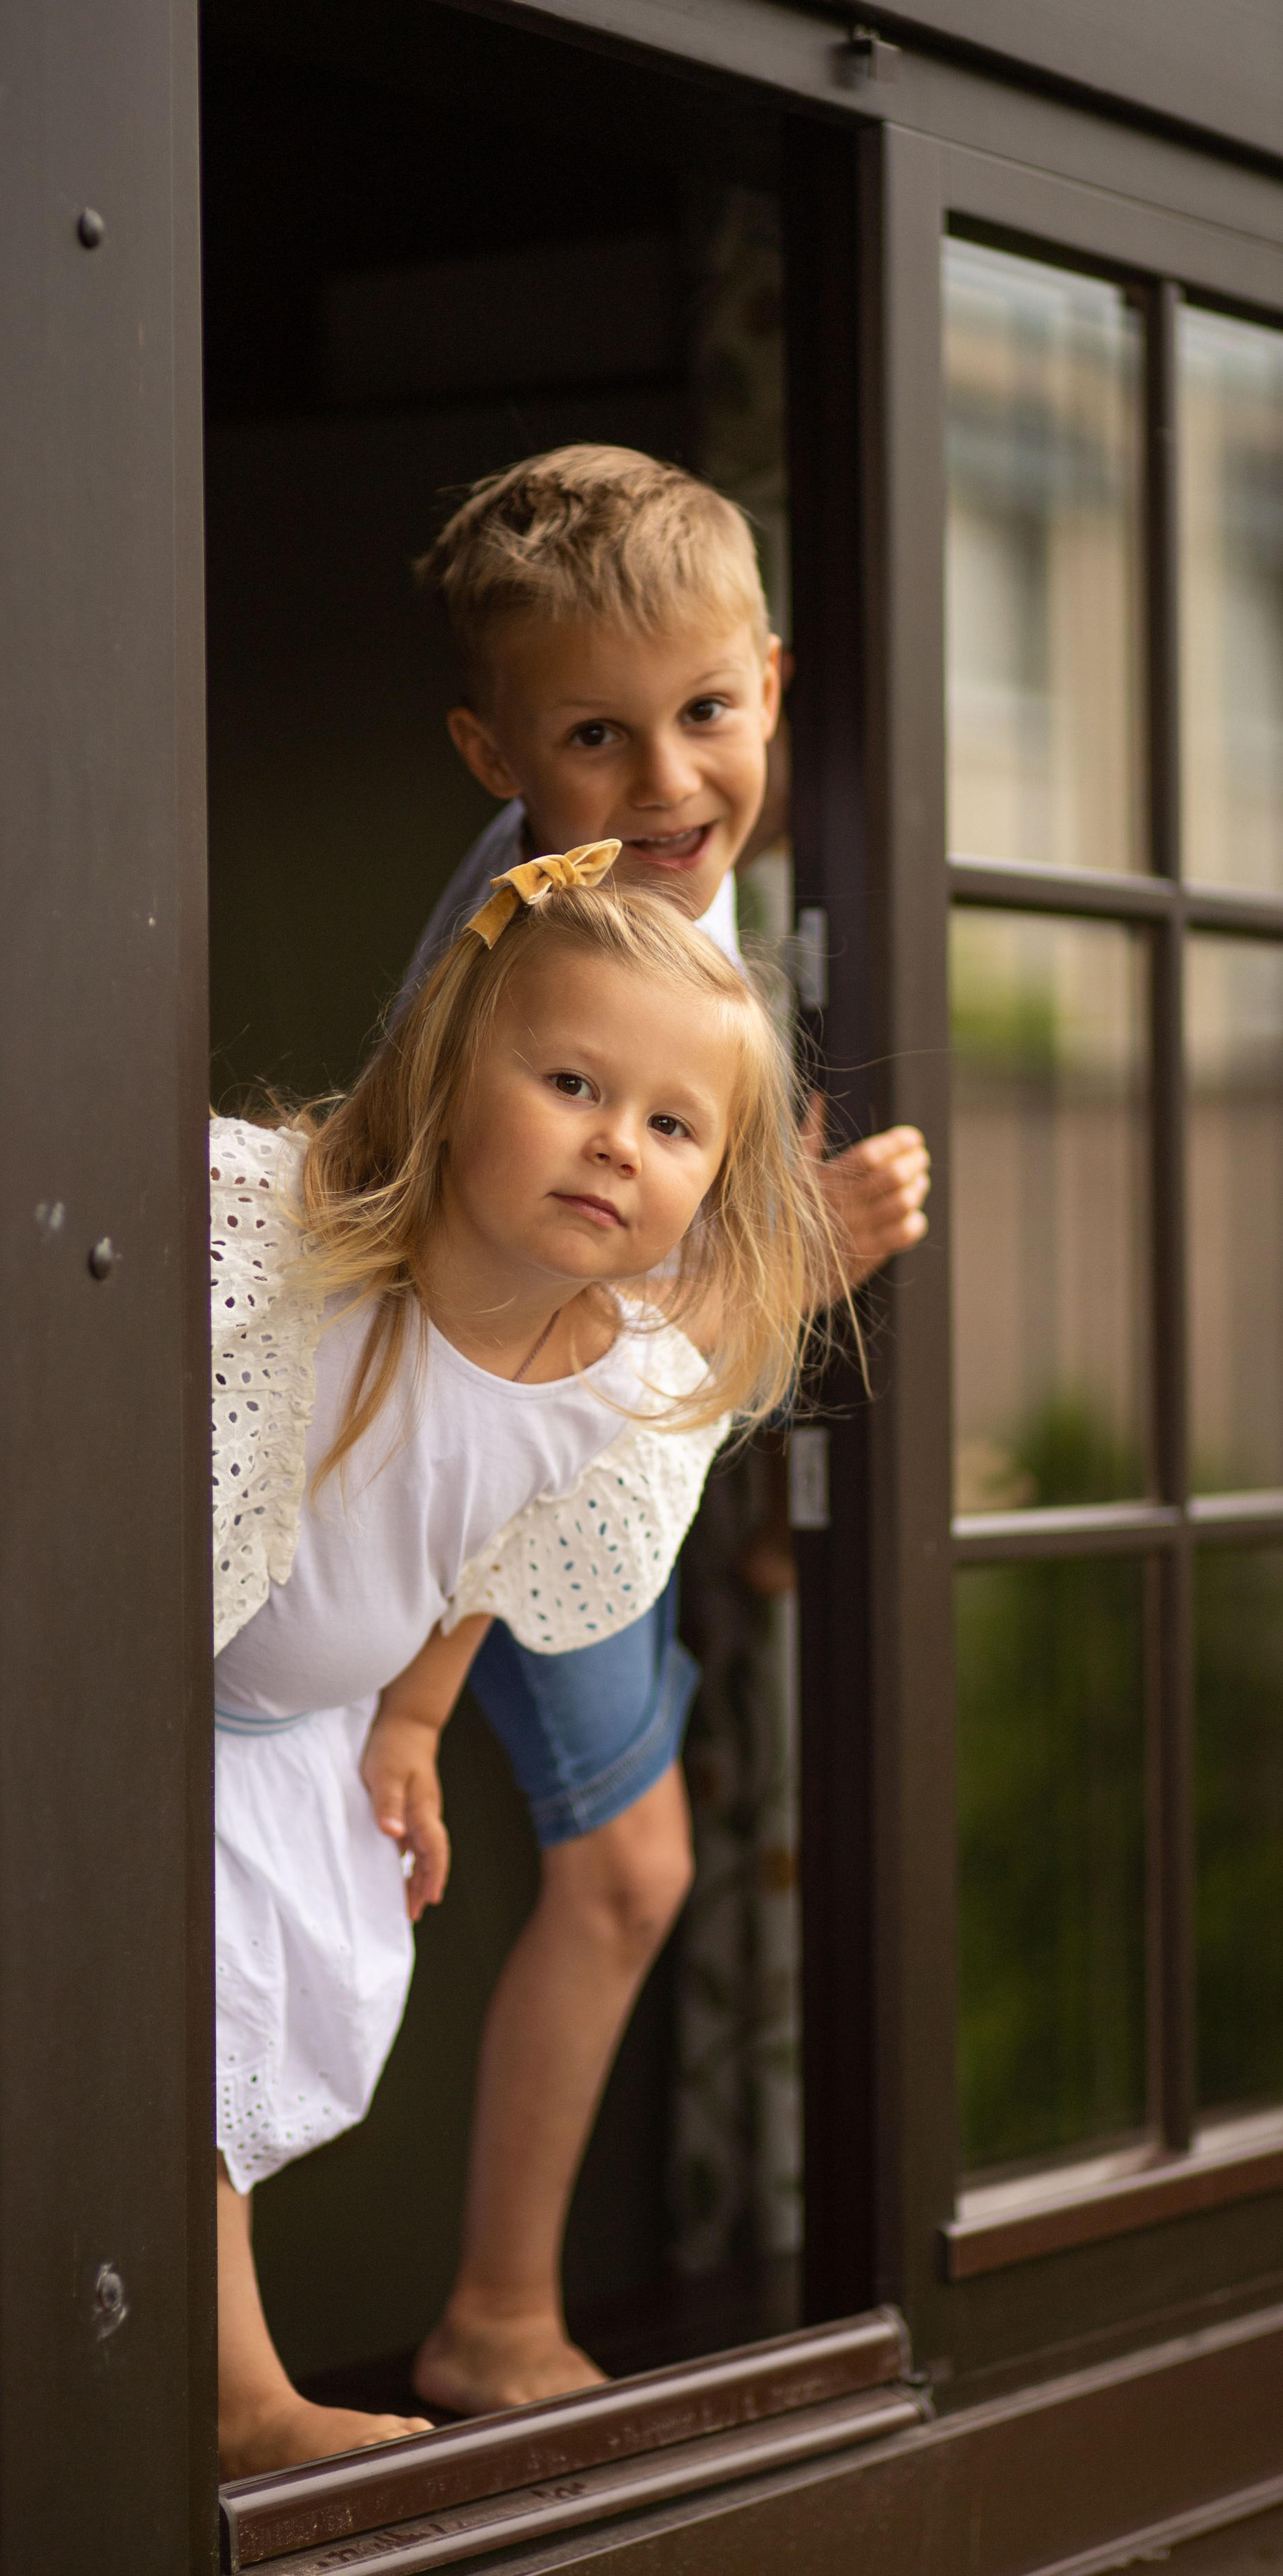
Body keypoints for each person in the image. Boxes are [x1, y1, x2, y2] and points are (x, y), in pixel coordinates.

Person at [393, 445, 932, 2417]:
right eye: (600, 738)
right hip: (498, 1465)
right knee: (618, 1873)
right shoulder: (553, 939)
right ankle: (496, 2314)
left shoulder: (676, 908)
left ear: (774, 684)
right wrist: (798, 1275)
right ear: (497, 751)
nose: (673, 782)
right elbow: (560, 1284)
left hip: (588, 1459)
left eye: (707, 713)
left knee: (632, 1870)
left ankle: (497, 2308)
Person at [212, 856, 844, 2473]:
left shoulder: (603, 1386)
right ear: (452, 1065)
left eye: (669, 1124)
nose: (612, 1140)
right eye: (569, 1082)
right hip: (176, 1719)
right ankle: (237, 2389)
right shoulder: (316, 1248)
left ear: (712, 1177)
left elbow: (482, 1566)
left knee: (273, 2019)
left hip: (307, 1727)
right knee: (198, 2019)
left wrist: (410, 1722)